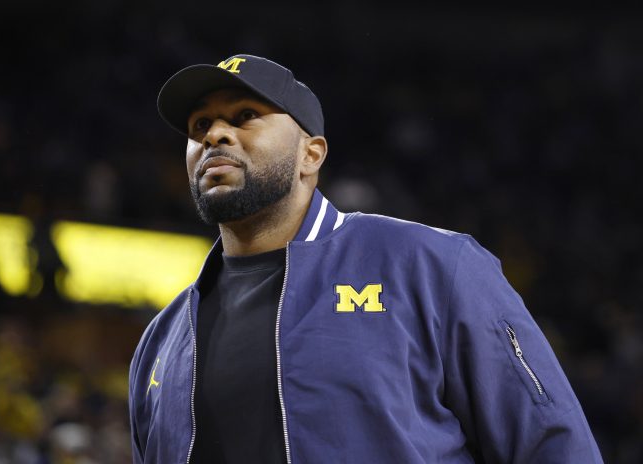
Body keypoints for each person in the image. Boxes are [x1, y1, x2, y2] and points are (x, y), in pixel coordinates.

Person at [128, 54, 603, 463]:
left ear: (310, 155)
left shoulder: (430, 265)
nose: (215, 135)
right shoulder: (162, 340)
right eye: (200, 126)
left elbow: (552, 444)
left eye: (245, 115)